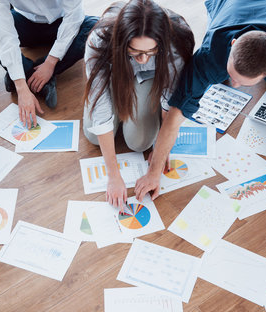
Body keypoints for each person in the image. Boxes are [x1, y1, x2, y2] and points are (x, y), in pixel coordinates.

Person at [134, 0, 266, 201]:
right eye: (233, 75)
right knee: (218, 75)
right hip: (226, 5)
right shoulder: (210, 53)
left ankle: (253, 72)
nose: (233, 86)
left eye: (241, 82)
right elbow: (175, 115)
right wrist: (154, 172)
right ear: (232, 44)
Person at [83, 0, 194, 208]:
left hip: (152, 79)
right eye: (134, 52)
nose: (143, 59)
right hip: (115, 74)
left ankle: (133, 95)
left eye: (151, 52)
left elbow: (170, 99)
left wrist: (163, 149)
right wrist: (113, 175)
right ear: (121, 42)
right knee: (93, 136)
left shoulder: (178, 41)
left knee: (139, 142)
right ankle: (123, 90)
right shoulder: (98, 39)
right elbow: (100, 106)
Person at [0, 0, 98, 127]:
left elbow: (73, 18)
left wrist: (50, 63)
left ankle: (27, 71)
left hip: (61, 24)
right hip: (23, 24)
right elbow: (5, 36)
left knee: (98, 28)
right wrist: (21, 87)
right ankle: (30, 74)